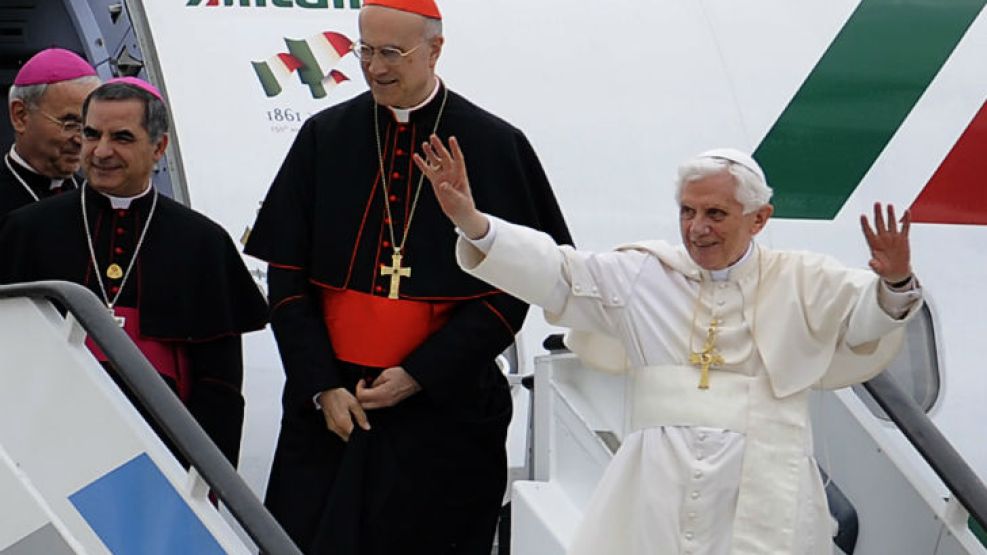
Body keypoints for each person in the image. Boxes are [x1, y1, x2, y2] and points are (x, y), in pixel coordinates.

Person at [415, 136, 923, 554]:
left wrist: (896, 282)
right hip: (655, 482)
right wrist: (472, 222)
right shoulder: (645, 274)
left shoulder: (802, 279)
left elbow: (863, 323)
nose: (697, 229)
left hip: (765, 482)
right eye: (687, 211)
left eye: (716, 214)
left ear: (759, 219)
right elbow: (557, 273)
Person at [244, 0, 571, 552]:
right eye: (364, 50)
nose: (374, 68)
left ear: (435, 50)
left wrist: (421, 372)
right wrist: (321, 384)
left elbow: (514, 291)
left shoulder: (493, 143)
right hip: (333, 407)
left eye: (391, 53)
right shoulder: (326, 137)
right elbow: (287, 275)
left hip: (445, 408)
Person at [0, 78, 268, 466]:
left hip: (160, 450)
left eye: (122, 138)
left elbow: (220, 385)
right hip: (44, 445)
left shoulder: (202, 242)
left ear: (159, 147)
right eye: (92, 134)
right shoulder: (27, 230)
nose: (101, 151)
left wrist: (206, 477)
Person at [1, 48, 100, 217]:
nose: (81, 140)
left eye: (90, 127)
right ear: (21, 116)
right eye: (70, 123)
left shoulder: (99, 201)